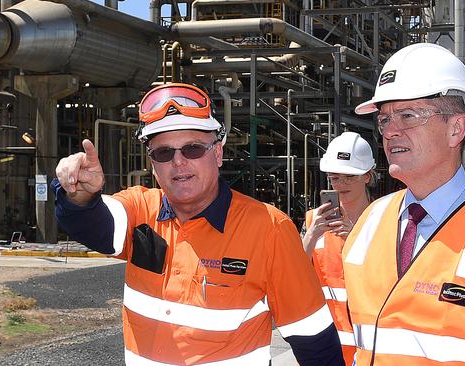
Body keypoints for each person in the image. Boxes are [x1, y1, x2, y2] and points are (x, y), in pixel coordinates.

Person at [51, 82, 344, 365]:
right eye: (164, 153)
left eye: (192, 149)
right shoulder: (141, 209)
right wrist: (80, 195)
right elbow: (92, 226)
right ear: (152, 164)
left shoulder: (269, 228)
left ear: (217, 153)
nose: (178, 162)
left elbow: (313, 339)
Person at [343, 42, 465, 365]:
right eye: (385, 120)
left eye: (408, 115)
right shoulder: (371, 220)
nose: (390, 132)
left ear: (456, 128)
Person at [301, 131, 375, 365]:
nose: (341, 184)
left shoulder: (384, 217)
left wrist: (356, 238)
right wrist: (311, 235)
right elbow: (292, 270)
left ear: (367, 176)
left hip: (369, 343)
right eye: (335, 178)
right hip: (324, 341)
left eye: (349, 177)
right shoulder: (314, 220)